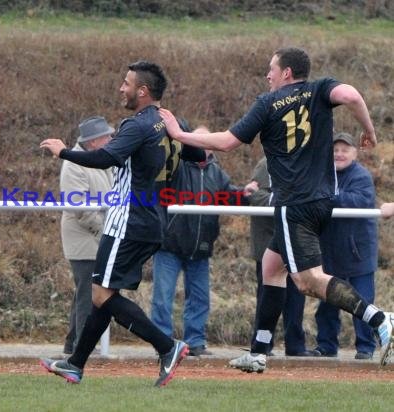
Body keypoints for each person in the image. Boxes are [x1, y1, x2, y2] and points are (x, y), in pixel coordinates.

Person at [159, 46, 394, 373]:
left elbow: (226, 142)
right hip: (322, 201)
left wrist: (178, 134)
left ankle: (381, 319)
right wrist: (369, 132)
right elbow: (353, 95)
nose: (268, 75)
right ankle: (258, 352)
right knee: (272, 268)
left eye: (272, 69)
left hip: (294, 204)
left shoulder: (267, 103)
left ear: (286, 73)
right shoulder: (320, 88)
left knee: (308, 280)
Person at [39, 61, 189, 387]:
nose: (121, 88)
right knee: (103, 295)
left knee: (102, 294)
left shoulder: (136, 125)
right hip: (153, 220)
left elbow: (105, 157)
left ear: (143, 91)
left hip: (127, 221)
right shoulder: (172, 122)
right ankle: (76, 364)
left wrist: (63, 151)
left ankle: (167, 346)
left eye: (126, 83)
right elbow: (201, 157)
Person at [151, 135, 246, 357]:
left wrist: (245, 193)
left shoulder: (217, 173)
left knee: (200, 298)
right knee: (163, 298)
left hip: (201, 247)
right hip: (170, 244)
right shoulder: (176, 166)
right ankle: (162, 342)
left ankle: (195, 342)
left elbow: (229, 197)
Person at [313, 132, 378, 360]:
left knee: (363, 302)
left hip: (358, 252)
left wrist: (330, 196)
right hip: (329, 251)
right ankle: (326, 345)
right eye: (335, 150)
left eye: (344, 150)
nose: (339, 154)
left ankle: (366, 348)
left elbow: (359, 201)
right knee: (328, 302)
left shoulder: (361, 176)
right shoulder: (322, 174)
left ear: (354, 153)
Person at [245, 156, 317, 357]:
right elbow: (254, 195)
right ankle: (261, 346)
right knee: (268, 298)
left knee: (297, 296)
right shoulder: (267, 163)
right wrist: (287, 200)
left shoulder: (312, 163)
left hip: (297, 242)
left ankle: (295, 346)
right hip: (270, 242)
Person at [60, 116, 113, 355]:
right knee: (87, 295)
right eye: (106, 136)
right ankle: (82, 347)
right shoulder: (75, 165)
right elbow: (80, 208)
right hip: (84, 239)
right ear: (93, 143)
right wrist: (105, 231)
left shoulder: (98, 160)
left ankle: (74, 344)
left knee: (84, 292)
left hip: (92, 237)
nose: (111, 139)